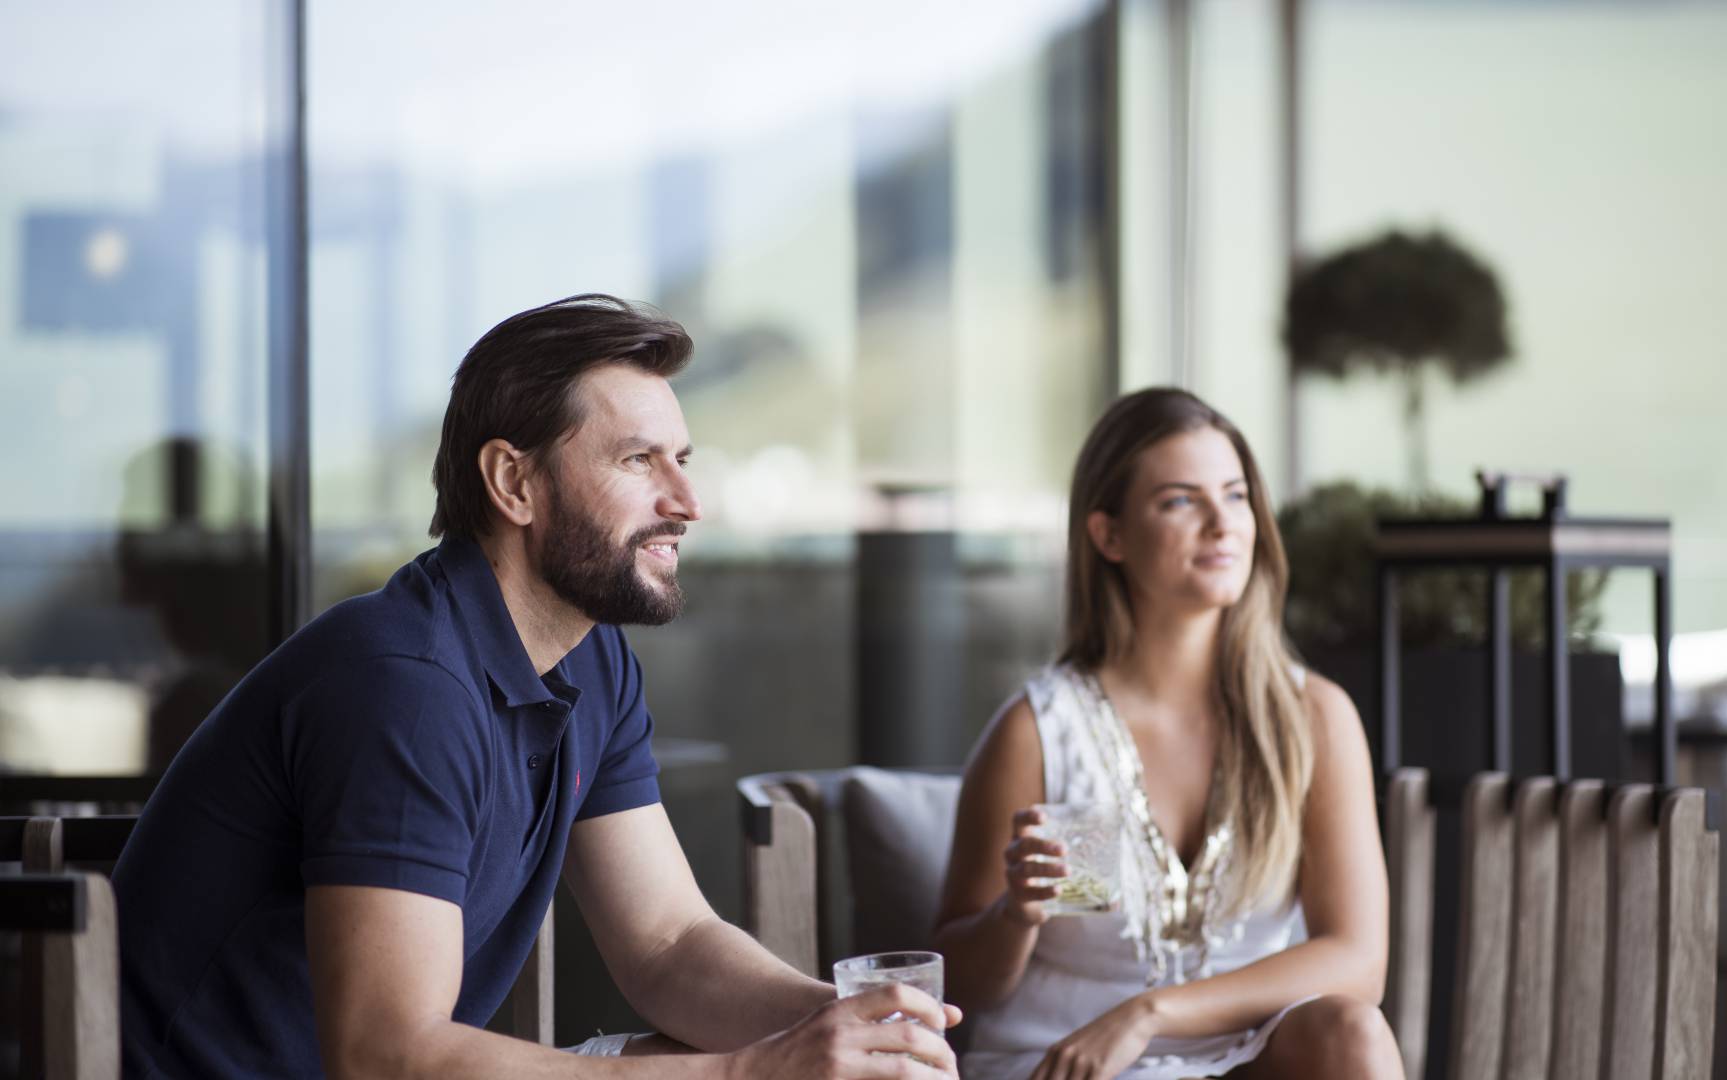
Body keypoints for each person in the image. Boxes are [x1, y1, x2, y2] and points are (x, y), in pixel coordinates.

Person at [111, 294, 961, 1078]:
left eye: (682, 460)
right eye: (639, 460)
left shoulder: (590, 657)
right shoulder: (405, 686)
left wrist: (849, 1027)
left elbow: (668, 943)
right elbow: (382, 1055)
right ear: (513, 483)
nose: (687, 502)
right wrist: (752, 1070)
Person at [932, 388, 1403, 1080]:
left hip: (1241, 1054)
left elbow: (1358, 961)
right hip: (1067, 1062)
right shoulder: (1040, 732)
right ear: (1109, 536)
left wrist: (1149, 1013)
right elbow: (960, 987)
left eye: (1235, 495)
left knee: (1352, 1032)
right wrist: (1016, 916)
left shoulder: (1312, 717)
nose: (1221, 523)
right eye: (1180, 501)